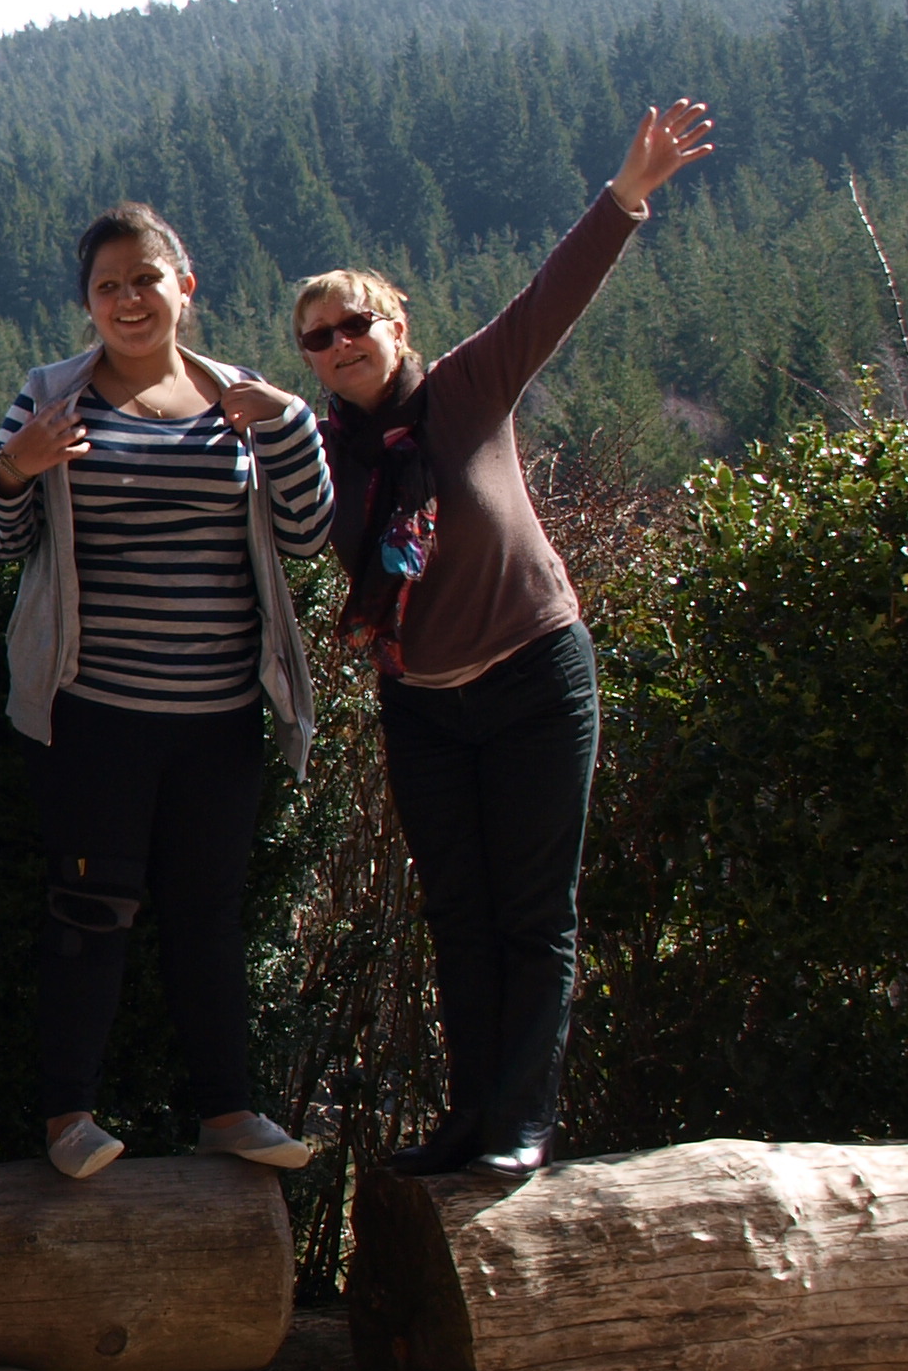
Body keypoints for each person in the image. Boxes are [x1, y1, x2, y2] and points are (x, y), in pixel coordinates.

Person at [298, 99, 717, 1180]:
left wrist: (626, 196)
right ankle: (470, 1119)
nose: (341, 344)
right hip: (422, 704)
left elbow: (548, 299)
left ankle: (522, 1124)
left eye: (356, 323)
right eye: (319, 338)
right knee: (458, 916)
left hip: (535, 676)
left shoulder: (468, 392)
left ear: (397, 326)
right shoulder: (321, 458)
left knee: (533, 914)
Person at [0, 201, 334, 1179]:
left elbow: (308, 536)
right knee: (90, 913)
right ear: (87, 303)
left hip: (222, 717)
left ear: (186, 286)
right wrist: (15, 468)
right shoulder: (51, 397)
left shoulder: (244, 401)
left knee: (209, 916)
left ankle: (229, 1113)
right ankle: (67, 1120)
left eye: (146, 279)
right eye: (108, 286)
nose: (129, 300)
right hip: (93, 712)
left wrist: (291, 426)